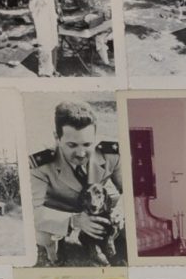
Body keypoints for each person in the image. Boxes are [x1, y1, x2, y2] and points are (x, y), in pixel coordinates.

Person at [31, 99, 124, 266]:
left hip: (94, 205)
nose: (81, 153)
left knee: (131, 220)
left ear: (95, 136)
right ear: (57, 138)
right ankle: (56, 248)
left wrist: (120, 211)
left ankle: (96, 241)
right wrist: (75, 221)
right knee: (43, 236)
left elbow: (131, 191)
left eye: (87, 144)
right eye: (72, 145)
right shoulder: (41, 163)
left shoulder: (110, 153)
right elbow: (33, 211)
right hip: (60, 209)